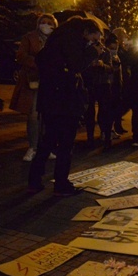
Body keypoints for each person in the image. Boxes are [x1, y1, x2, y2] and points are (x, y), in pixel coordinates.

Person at [28, 17, 103, 196]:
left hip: (52, 98)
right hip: (64, 99)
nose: (94, 42)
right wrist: (93, 52)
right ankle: (61, 184)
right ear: (86, 31)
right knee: (65, 143)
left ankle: (34, 180)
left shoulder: (60, 37)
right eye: (94, 38)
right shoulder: (71, 40)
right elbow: (75, 64)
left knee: (48, 140)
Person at [10, 14, 58, 161]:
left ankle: (46, 147)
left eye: (49, 23)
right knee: (34, 115)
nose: (45, 25)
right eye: (43, 22)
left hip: (52, 82)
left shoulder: (56, 39)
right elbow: (21, 56)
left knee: (48, 115)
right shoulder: (29, 38)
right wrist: (38, 62)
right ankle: (33, 147)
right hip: (34, 81)